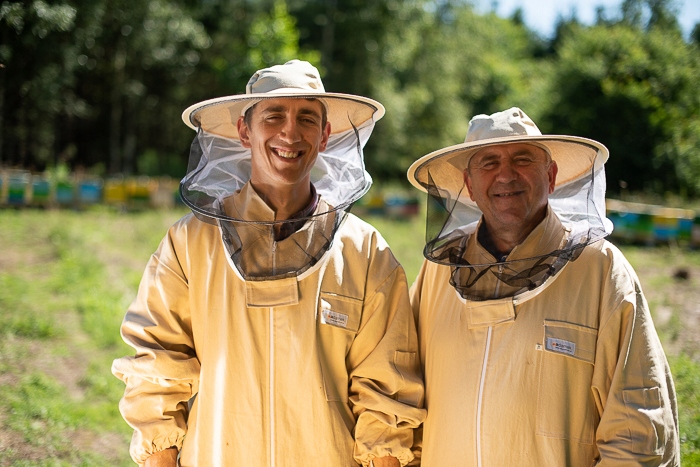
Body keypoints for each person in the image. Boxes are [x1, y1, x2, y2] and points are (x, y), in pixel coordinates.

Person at [112, 60, 425, 467]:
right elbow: (157, 370)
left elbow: (386, 393)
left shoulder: (366, 252)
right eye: (274, 116)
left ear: (325, 135)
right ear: (245, 131)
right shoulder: (189, 243)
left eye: (307, 119)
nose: (290, 133)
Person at [407, 107, 680, 466]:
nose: (506, 175)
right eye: (489, 162)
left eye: (522, 159)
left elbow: (638, 426)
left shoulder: (600, 269)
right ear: (469, 185)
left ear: (550, 176)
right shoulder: (438, 271)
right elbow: (403, 392)